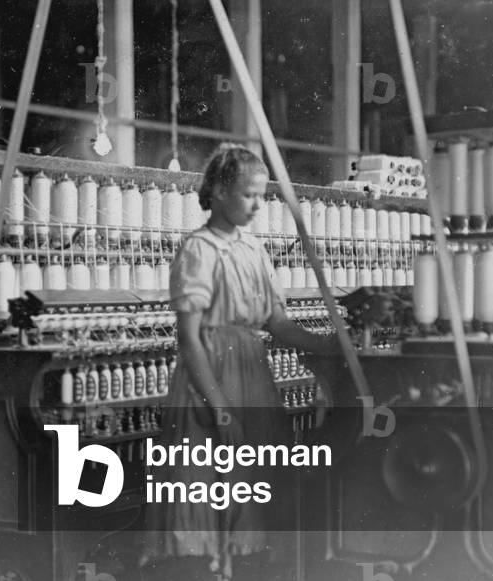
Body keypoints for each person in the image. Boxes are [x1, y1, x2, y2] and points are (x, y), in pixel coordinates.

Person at [140, 144, 337, 581]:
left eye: (262, 196)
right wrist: (221, 408)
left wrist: (332, 344)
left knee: (252, 497)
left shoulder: (255, 252)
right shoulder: (197, 250)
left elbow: (279, 324)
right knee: (201, 496)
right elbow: (189, 340)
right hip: (207, 382)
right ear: (222, 191)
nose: (257, 204)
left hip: (252, 377)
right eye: (249, 194)